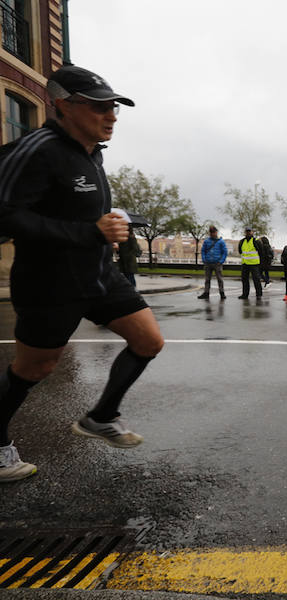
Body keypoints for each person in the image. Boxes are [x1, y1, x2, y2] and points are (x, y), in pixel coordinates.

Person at [0, 64, 165, 482]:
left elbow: (76, 209)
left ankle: (101, 415)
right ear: (63, 105)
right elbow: (6, 216)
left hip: (98, 275)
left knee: (148, 340)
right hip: (48, 282)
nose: (110, 116)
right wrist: (86, 231)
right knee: (33, 369)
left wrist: (106, 227)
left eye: (113, 108)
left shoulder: (93, 154)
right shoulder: (37, 149)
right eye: (98, 107)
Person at [198, 225, 227, 300]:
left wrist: (221, 261)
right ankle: (206, 293)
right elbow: (203, 251)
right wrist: (204, 260)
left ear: (216, 232)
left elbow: (225, 252)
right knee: (207, 279)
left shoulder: (221, 242)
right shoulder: (206, 241)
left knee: (219, 279)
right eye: (211, 232)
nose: (212, 234)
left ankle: (222, 293)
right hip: (208, 263)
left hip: (217, 263)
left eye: (213, 232)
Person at [237, 227, 264, 299]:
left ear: (252, 232)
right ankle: (245, 294)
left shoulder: (256, 241)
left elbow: (261, 252)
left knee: (256, 280)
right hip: (245, 264)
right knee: (244, 280)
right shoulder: (242, 241)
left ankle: (259, 294)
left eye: (249, 231)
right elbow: (240, 251)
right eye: (247, 231)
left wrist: (261, 264)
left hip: (254, 264)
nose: (248, 233)